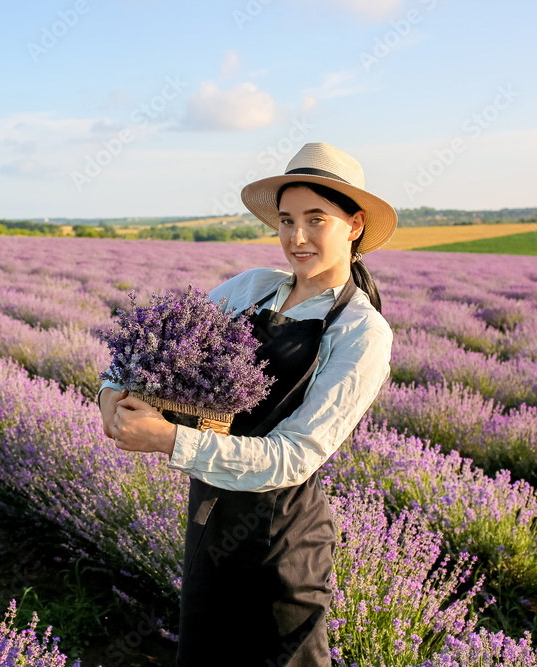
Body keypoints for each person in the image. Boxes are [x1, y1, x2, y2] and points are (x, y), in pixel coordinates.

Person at [97, 142, 396, 666]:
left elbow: (293, 456)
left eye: (316, 219)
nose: (296, 238)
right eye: (285, 220)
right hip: (211, 518)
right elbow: (147, 353)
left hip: (283, 541)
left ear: (354, 225)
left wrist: (168, 440)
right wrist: (111, 395)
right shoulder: (251, 289)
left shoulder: (361, 332)